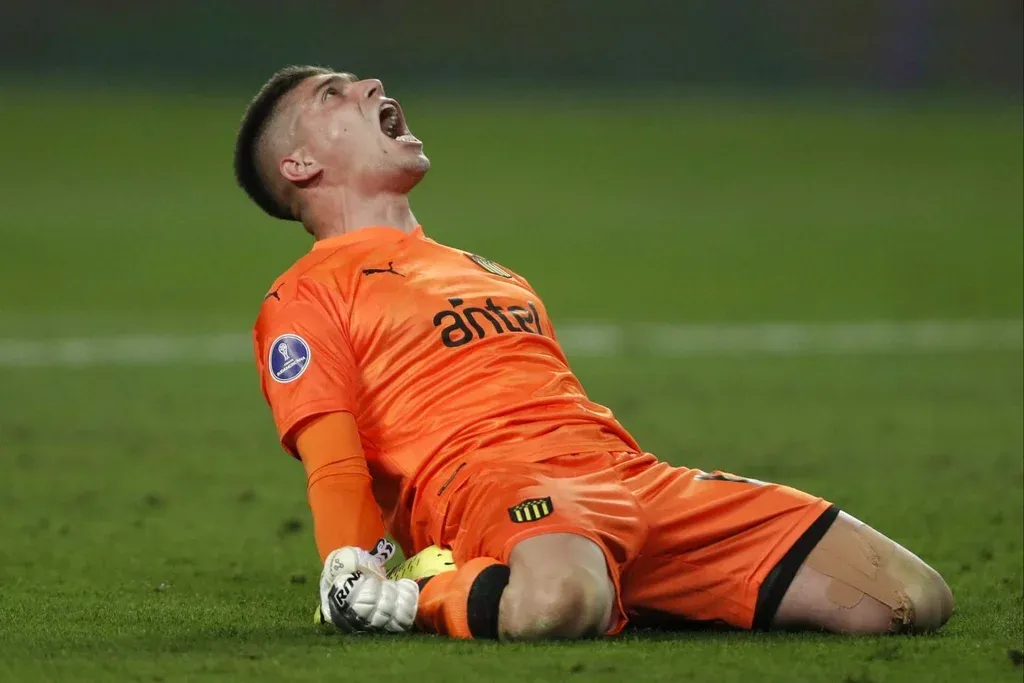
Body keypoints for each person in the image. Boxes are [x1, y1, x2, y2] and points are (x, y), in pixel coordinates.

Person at [233, 65, 954, 640]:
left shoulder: (491, 272)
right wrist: (353, 571)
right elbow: (334, 459)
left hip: (631, 476)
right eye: (333, 94)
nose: (370, 85)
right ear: (299, 164)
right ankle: (426, 590)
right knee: (558, 603)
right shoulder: (304, 295)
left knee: (908, 597)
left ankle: (624, 580)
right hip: (494, 487)